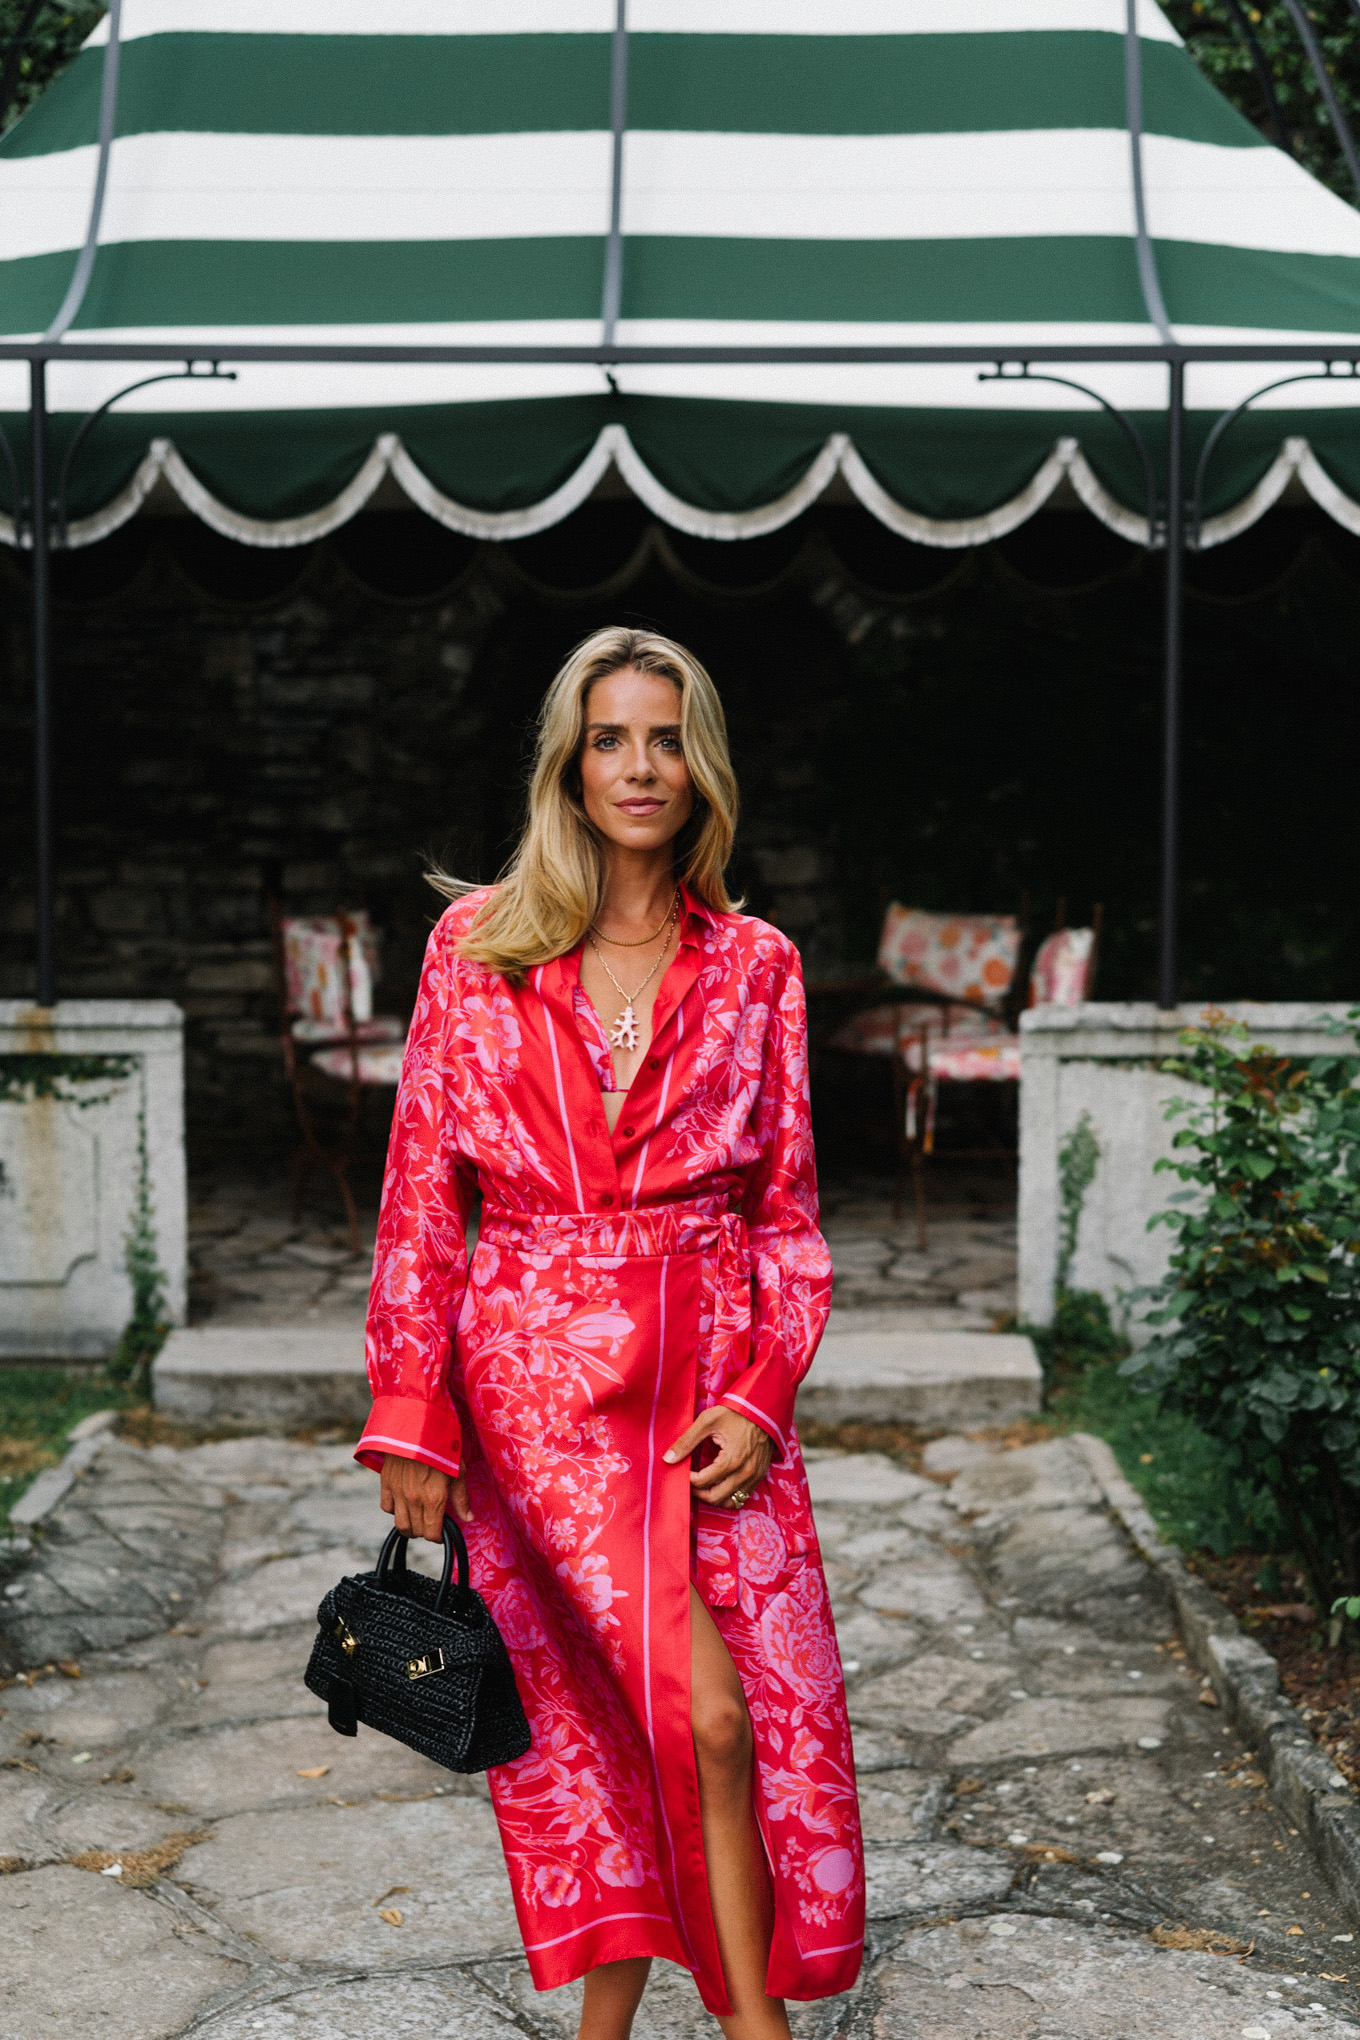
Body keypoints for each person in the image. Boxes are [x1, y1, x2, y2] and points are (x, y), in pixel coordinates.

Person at [356, 626, 863, 2040]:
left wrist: (765, 1394)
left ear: (700, 767)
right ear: (567, 766)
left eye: (663, 738)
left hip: (709, 1387)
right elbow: (420, 1197)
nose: (637, 767)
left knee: (657, 1712)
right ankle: (755, 2030)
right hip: (539, 1382)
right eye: (608, 738)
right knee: (691, 1714)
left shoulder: (759, 964)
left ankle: (610, 2032)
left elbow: (790, 1218)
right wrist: (413, 1410)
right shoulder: (479, 949)